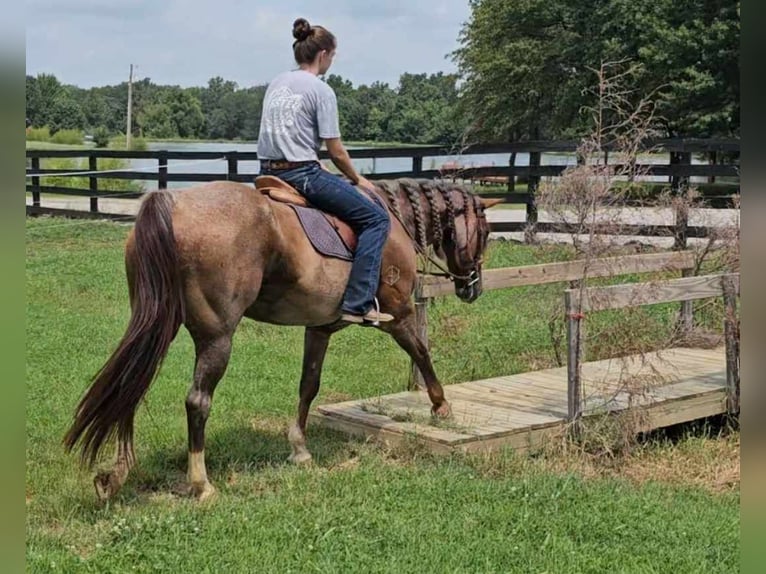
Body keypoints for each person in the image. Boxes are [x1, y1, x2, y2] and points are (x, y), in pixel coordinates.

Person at [257, 17, 393, 325]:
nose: (332, 61)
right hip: (302, 175)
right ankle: (358, 303)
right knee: (376, 218)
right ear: (323, 55)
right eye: (332, 56)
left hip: (268, 171)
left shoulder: (277, 83)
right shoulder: (320, 90)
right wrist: (358, 179)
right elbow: (336, 150)